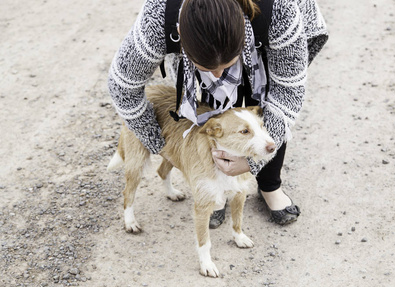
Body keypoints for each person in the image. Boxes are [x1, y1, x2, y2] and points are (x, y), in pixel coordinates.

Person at [108, 0, 328, 227]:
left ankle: (270, 186)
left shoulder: (280, 9)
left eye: (227, 65)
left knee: (262, 105)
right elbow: (122, 87)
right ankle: (216, 190)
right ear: (180, 33)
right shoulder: (158, 17)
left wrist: (254, 162)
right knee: (206, 105)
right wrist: (159, 145)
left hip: (265, 28)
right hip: (194, 36)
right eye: (206, 67)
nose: (217, 75)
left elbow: (287, 95)